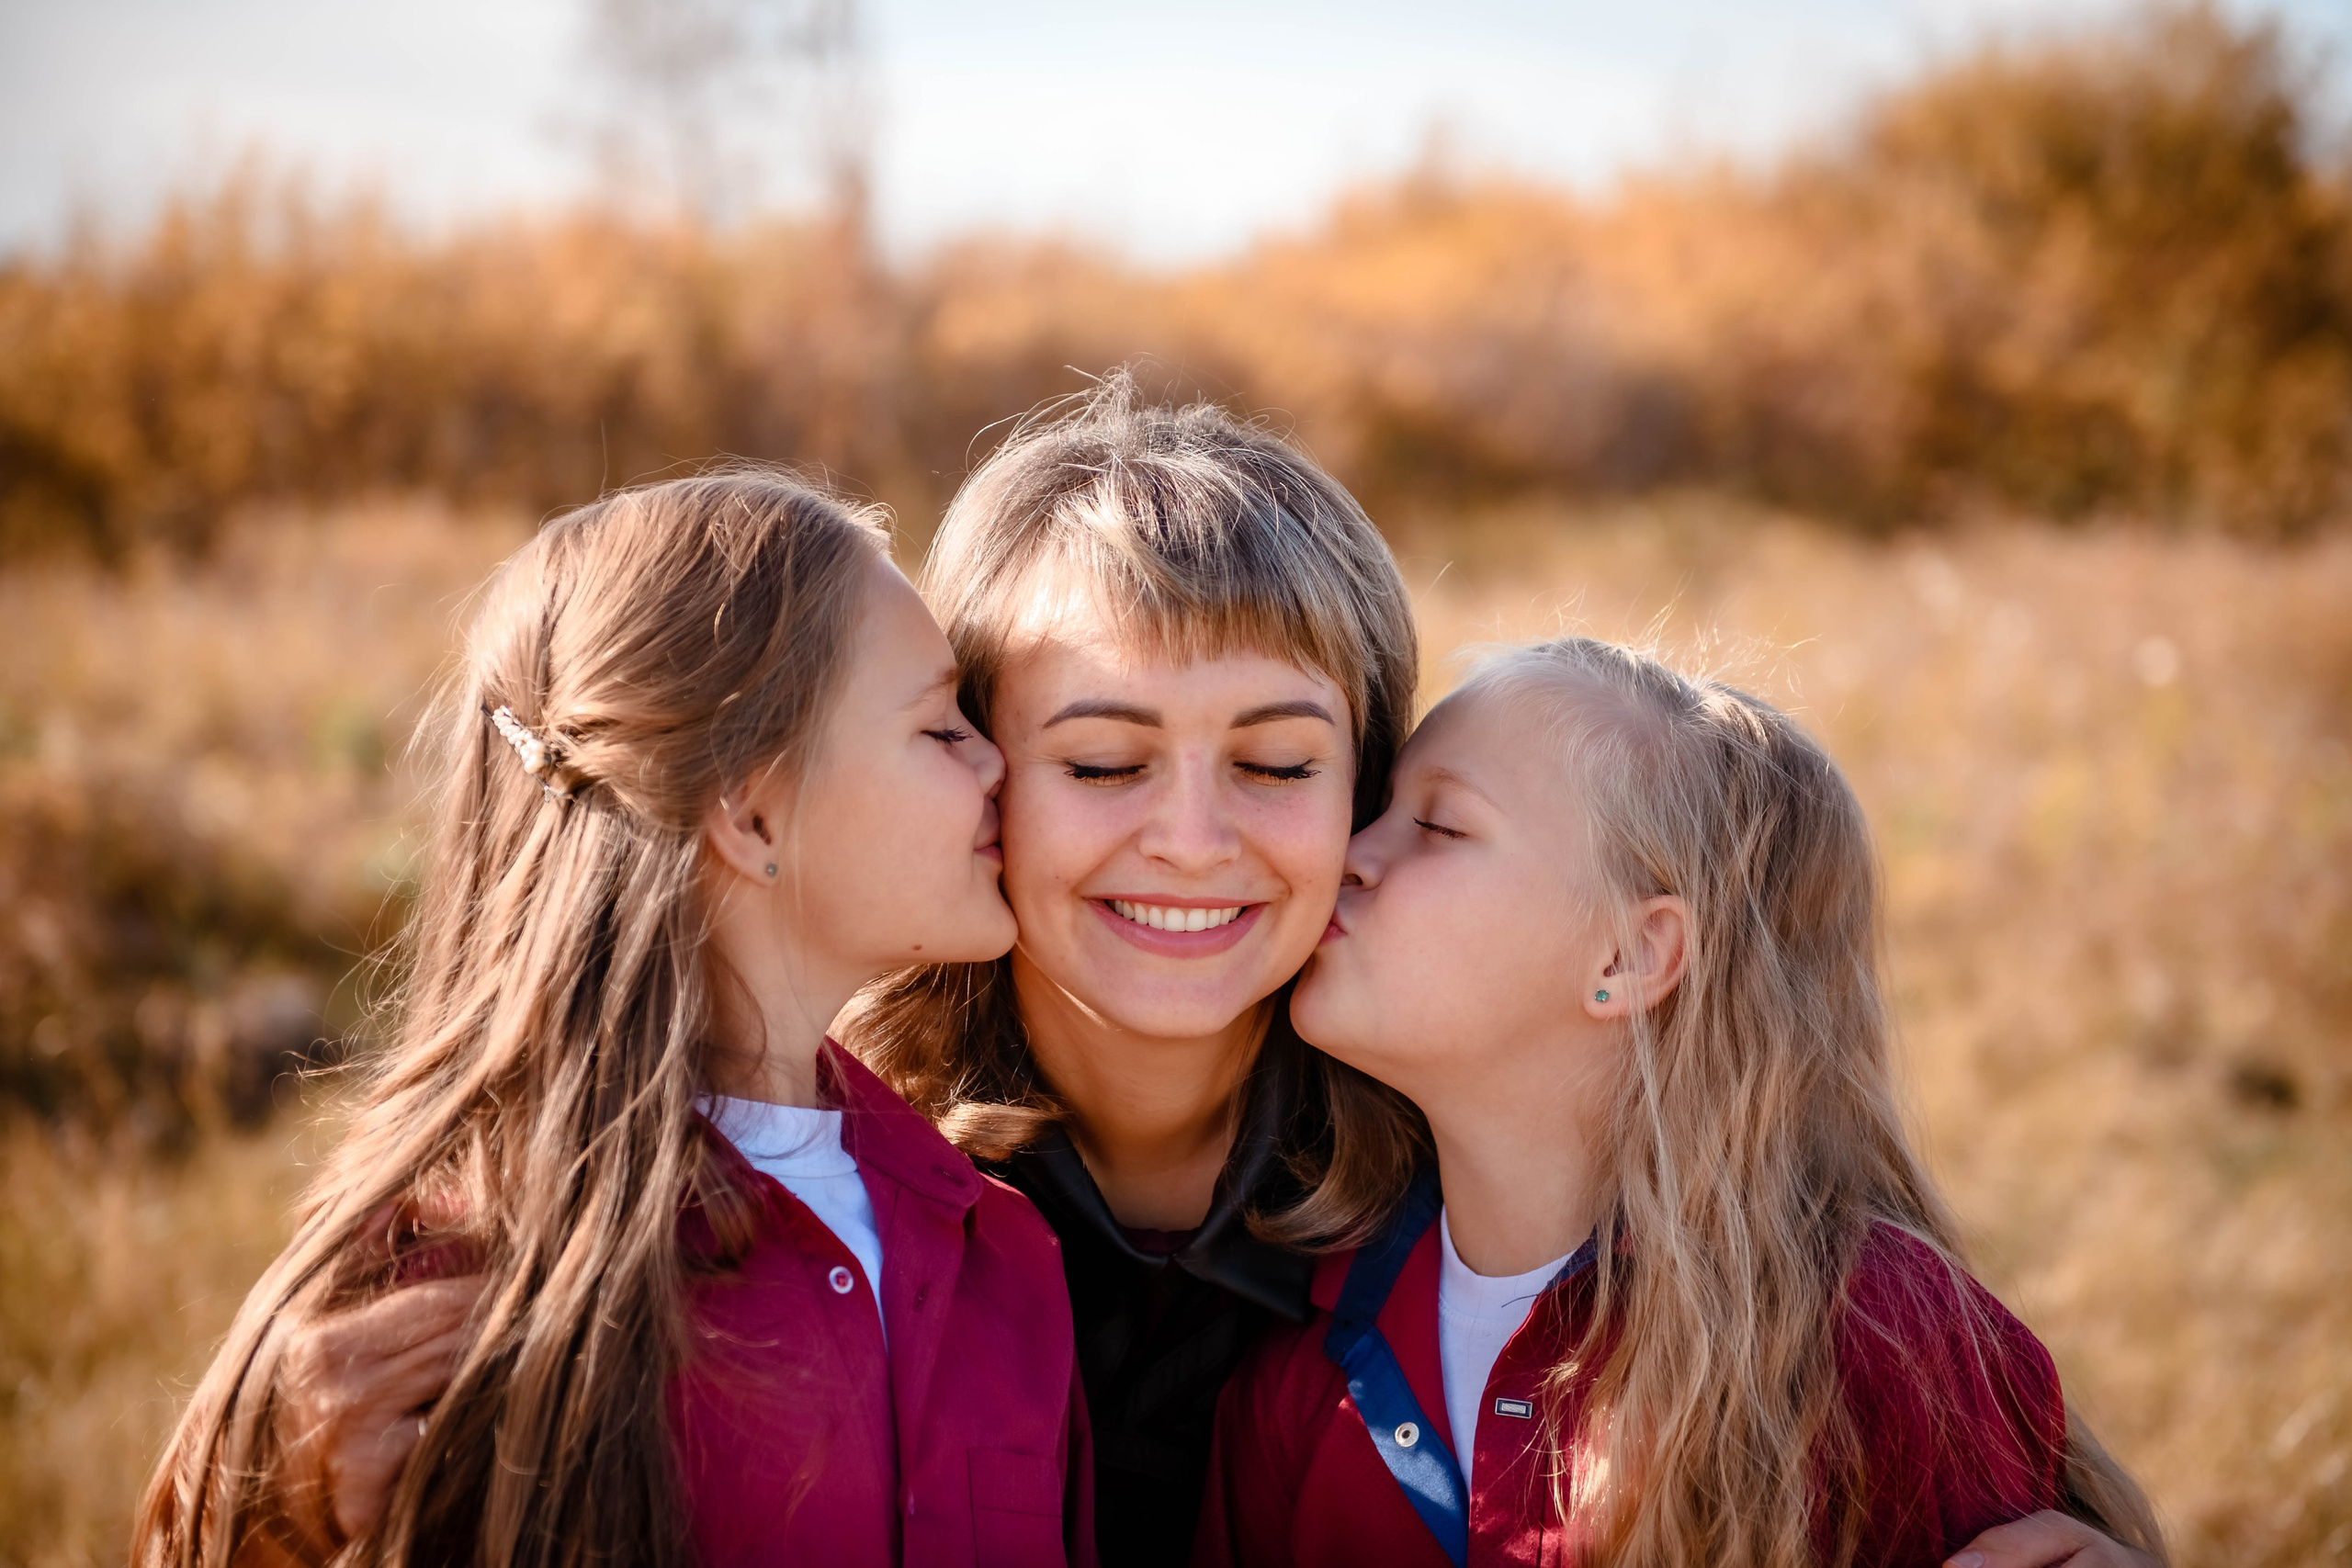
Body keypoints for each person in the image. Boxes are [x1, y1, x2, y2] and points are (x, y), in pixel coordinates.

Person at [232, 389, 2160, 1568]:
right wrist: (291, 1495)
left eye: (1277, 763)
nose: (1189, 837)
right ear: (964, 766)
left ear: (1365, 791)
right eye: (1094, 760)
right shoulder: (860, 1170)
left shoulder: (1469, 1159)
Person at [133, 471, 1092, 1568]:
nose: (997, 762)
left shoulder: (1003, 1251)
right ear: (750, 811)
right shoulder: (450, 1283)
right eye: (940, 727)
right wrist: (276, 1519)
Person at [1194, 637, 2166, 1568]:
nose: (1347, 852)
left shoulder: (1865, 1342)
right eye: (1376, 809)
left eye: (1439, 825)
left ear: (1630, 955)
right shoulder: (1297, 1381)